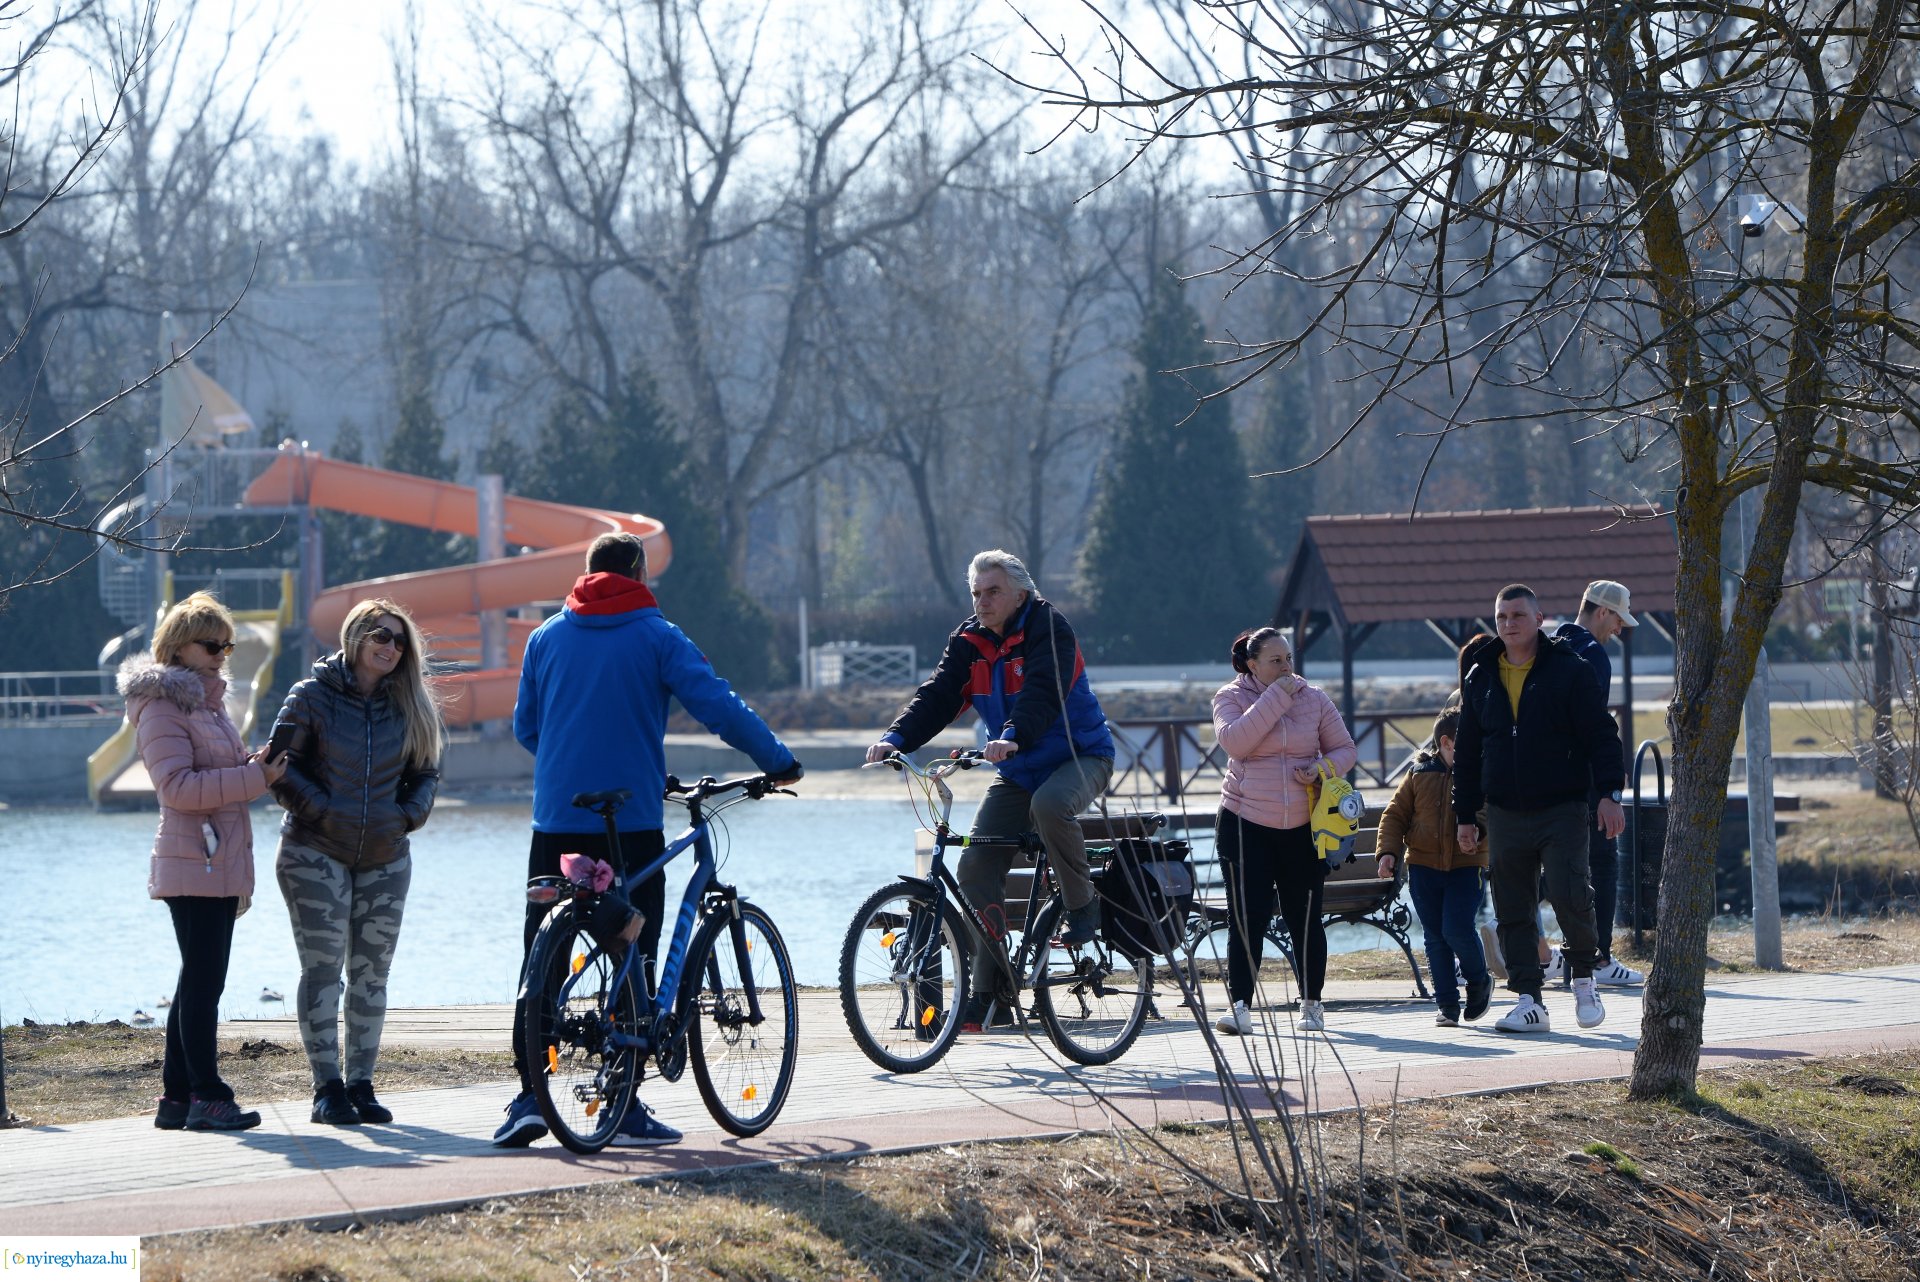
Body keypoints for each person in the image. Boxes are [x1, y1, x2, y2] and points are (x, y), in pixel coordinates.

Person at [497, 531, 801, 1148]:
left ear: (585, 574)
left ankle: (531, 1095)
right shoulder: (659, 635)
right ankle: (624, 1103)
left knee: (543, 958)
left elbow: (528, 728)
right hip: (631, 822)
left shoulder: (545, 638)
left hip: (556, 820)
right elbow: (718, 705)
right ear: (638, 574)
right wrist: (778, 760)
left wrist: (572, 768)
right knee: (632, 951)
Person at [866, 549, 1115, 1031]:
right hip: (1019, 767)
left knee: (1050, 805)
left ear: (1021, 592)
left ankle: (1083, 905)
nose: (983, 601)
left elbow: (1044, 689)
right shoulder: (969, 641)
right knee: (975, 865)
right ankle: (992, 992)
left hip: (1080, 756)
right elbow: (939, 696)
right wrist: (894, 738)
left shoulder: (1049, 627)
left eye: (993, 591)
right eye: (976, 593)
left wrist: (1013, 734)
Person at [269, 598, 445, 1126]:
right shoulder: (310, 697)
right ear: (355, 637)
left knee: (372, 975)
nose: (390, 648)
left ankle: (361, 1085)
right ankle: (327, 1090)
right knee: (323, 971)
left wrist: (407, 816)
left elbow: (427, 772)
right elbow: (278, 766)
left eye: (399, 640)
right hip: (314, 852)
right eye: (381, 636)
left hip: (386, 857)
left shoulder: (409, 703)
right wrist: (319, 808)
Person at [119, 591, 288, 1132]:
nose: (221, 653)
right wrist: (255, 778)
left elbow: (216, 772)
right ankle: (208, 1095)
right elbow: (177, 788)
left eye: (227, 644)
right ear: (176, 647)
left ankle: (176, 1099)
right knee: (203, 982)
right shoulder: (161, 705)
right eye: (210, 643)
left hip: (212, 857)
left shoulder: (207, 706)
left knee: (199, 978)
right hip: (196, 859)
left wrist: (251, 763)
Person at [1453, 585, 1625, 1034]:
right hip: (1505, 811)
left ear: (1539, 618)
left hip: (1561, 806)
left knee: (1571, 893)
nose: (1509, 623)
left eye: (1518, 615)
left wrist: (1609, 793)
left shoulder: (1570, 670)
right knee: (1513, 907)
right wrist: (1465, 815)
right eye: (1501, 616)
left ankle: (1585, 979)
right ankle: (1529, 1000)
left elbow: (1601, 736)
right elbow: (1469, 753)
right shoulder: (1480, 675)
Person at [1210, 627, 1358, 1037]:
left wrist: (1322, 769)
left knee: (1305, 918)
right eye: (1276, 661)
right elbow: (1236, 742)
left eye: (1289, 659)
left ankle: (1312, 1003)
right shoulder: (1230, 697)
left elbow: (1345, 749)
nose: (1287, 667)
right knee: (1247, 918)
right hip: (1245, 822)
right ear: (1252, 665)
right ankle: (1240, 1005)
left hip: (1303, 827)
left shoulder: (1314, 698)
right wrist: (1277, 695)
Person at [1545, 580, 1645, 987]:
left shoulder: (1552, 644)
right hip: (1583, 783)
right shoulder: (1594, 657)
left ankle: (1545, 950)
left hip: (1545, 783)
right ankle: (1600, 958)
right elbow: (1594, 730)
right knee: (1603, 866)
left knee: (1551, 869)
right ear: (1602, 611)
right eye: (1618, 619)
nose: (1619, 629)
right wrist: (1607, 790)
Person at [1374, 710, 1491, 1026]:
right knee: (1435, 936)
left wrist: (1477, 832)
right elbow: (1394, 815)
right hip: (1423, 867)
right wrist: (1388, 852)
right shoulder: (1418, 774)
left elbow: (1487, 812)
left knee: (1456, 928)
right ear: (1446, 743)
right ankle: (1447, 1005)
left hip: (1466, 867)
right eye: (1469, 745)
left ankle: (1479, 979)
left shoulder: (1479, 774)